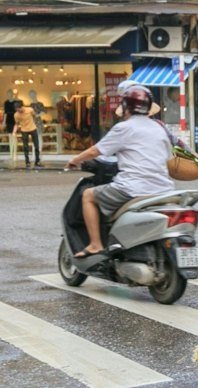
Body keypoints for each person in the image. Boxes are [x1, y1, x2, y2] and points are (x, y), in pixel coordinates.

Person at [65, 86, 174, 259]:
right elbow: (168, 157)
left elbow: (95, 151)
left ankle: (95, 244)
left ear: (126, 107)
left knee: (88, 195)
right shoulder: (160, 128)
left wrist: (75, 160)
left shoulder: (124, 128)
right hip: (164, 189)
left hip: (133, 188)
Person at [12, 101, 41, 168]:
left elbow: (35, 116)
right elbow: (16, 124)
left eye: (19, 109)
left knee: (36, 146)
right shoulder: (16, 115)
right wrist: (14, 132)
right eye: (16, 110)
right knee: (25, 147)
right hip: (24, 130)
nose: (18, 111)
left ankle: (37, 161)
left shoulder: (30, 110)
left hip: (33, 129)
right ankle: (27, 162)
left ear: (22, 107)